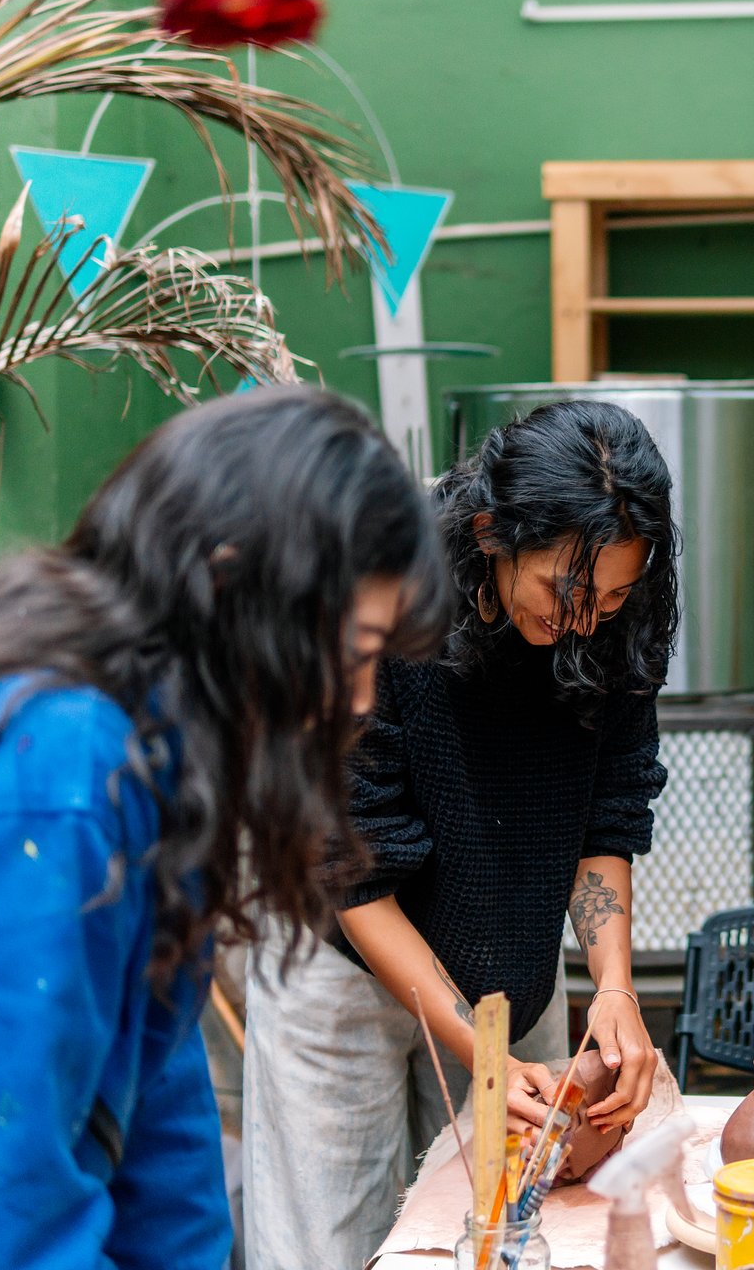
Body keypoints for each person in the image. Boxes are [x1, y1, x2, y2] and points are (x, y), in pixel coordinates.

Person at [0, 387, 450, 1269]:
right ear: (230, 586)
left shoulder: (153, 768)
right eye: (352, 654)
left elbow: (160, 1124)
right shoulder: (55, 780)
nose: (363, 700)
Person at [243, 399, 679, 1270]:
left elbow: (609, 815)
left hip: (510, 959)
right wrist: (478, 1051)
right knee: (333, 1246)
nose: (589, 620)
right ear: (490, 533)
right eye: (568, 591)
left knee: (519, 1231)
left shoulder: (611, 611)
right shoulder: (383, 600)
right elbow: (349, 870)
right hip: (344, 956)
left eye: (617, 596)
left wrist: (617, 991)